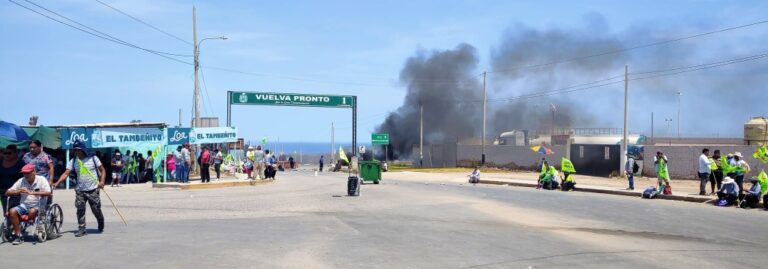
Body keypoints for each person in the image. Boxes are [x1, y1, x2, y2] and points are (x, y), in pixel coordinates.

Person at [54, 141, 106, 237]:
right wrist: (57, 183)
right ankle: (82, 228)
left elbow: (102, 170)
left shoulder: (93, 158)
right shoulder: (73, 161)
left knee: (95, 209)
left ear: (83, 149)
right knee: (80, 209)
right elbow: (66, 173)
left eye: (78, 150)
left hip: (93, 189)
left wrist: (102, 181)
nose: (76, 152)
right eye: (75, 150)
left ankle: (100, 219)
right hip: (80, 190)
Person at [4, 163, 52, 245]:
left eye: (28, 173)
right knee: (12, 211)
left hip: (38, 205)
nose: (25, 175)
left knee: (32, 211)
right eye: (24, 173)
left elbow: (48, 193)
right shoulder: (21, 181)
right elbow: (7, 193)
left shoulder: (41, 179)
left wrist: (31, 192)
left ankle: (23, 223)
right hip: (24, 205)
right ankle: (18, 235)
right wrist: (17, 191)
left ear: (34, 172)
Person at [1, 145, 25, 215]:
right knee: (6, 212)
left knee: (13, 212)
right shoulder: (0, 162)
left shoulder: (21, 163)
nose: (7, 155)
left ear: (15, 153)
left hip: (16, 192)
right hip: (2, 191)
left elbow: (25, 177)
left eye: (9, 153)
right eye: (5, 153)